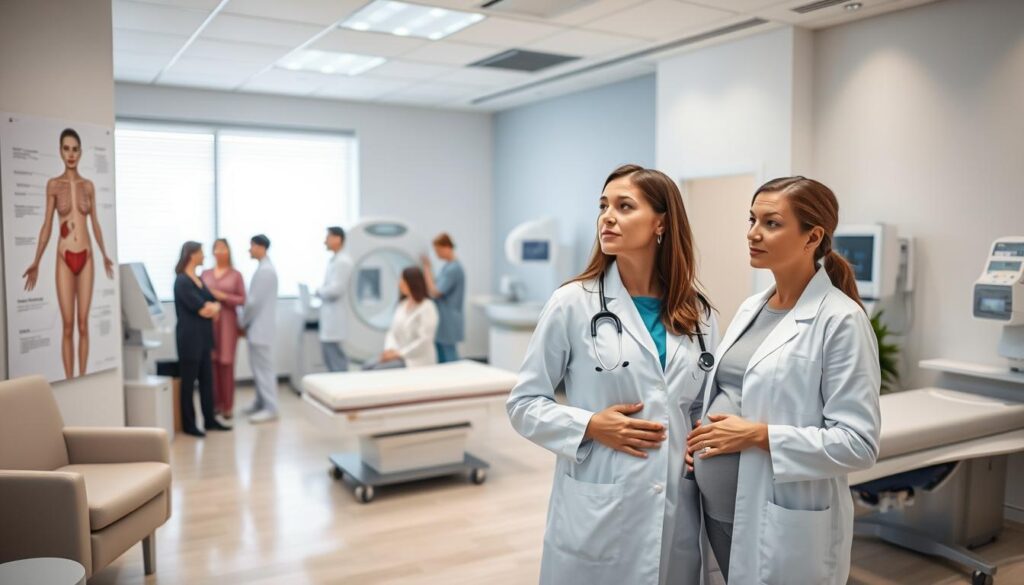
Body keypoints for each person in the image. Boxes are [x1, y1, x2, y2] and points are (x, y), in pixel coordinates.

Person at [506, 164, 718, 585]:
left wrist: (701, 435)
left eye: (624, 206)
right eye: (604, 205)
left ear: (661, 222)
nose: (607, 216)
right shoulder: (572, 303)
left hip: (675, 497)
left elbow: (702, 403)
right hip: (599, 496)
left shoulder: (698, 312)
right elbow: (523, 403)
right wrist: (590, 425)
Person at [686, 176, 881, 584]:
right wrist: (701, 441)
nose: (753, 233)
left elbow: (859, 444)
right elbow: (726, 392)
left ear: (812, 236)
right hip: (720, 510)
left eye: (771, 223)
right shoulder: (751, 308)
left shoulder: (841, 320)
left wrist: (757, 436)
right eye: (752, 219)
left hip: (778, 518)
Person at [22, 128, 115, 379]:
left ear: (81, 153)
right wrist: (36, 261)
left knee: (84, 324)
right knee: (67, 325)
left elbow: (95, 222)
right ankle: (70, 378)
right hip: (64, 257)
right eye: (66, 149)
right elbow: (47, 225)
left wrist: (105, 254)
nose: (71, 154)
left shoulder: (88, 186)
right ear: (60, 151)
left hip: (87, 257)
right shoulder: (53, 184)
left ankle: (82, 378)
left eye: (75, 149)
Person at [173, 241, 230, 437]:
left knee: (207, 380)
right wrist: (212, 308)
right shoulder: (181, 281)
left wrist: (213, 308)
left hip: (204, 338)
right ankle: (190, 424)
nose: (205, 256)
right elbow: (204, 308)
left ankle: (210, 420)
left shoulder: (198, 279)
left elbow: (215, 304)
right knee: (189, 383)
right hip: (189, 339)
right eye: (202, 252)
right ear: (192, 254)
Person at [201, 238, 245, 422]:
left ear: (228, 251)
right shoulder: (205, 273)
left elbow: (242, 299)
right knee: (211, 363)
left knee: (226, 363)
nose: (219, 251)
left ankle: (228, 406)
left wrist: (223, 296)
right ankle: (215, 404)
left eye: (223, 248)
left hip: (227, 322)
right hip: (209, 322)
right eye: (216, 248)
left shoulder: (236, 275)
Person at [363, 267, 439, 370]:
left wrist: (399, 354)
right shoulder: (402, 305)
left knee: (378, 369)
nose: (400, 284)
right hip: (397, 354)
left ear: (413, 283)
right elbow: (392, 332)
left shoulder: (427, 307)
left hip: (416, 359)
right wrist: (390, 350)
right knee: (367, 366)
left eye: (403, 280)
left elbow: (424, 341)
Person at [240, 234, 279, 424]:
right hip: (258, 328)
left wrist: (242, 321)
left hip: (260, 327)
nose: (250, 249)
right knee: (258, 368)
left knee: (264, 370)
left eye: (252, 246)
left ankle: (271, 407)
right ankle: (260, 402)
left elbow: (253, 303)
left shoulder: (266, 271)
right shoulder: (263, 269)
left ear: (261, 247)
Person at [422, 233, 465, 363]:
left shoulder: (454, 269)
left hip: (448, 320)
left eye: (438, 250)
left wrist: (427, 269)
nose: (437, 254)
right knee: (442, 356)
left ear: (447, 247)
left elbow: (435, 291)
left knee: (449, 358)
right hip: (444, 319)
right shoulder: (447, 267)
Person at [316, 226, 354, 372]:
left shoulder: (342, 262)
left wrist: (319, 291)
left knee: (336, 362)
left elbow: (336, 290)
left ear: (338, 239)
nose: (325, 241)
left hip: (335, 320)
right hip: (330, 318)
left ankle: (342, 391)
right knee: (331, 360)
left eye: (328, 237)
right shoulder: (335, 260)